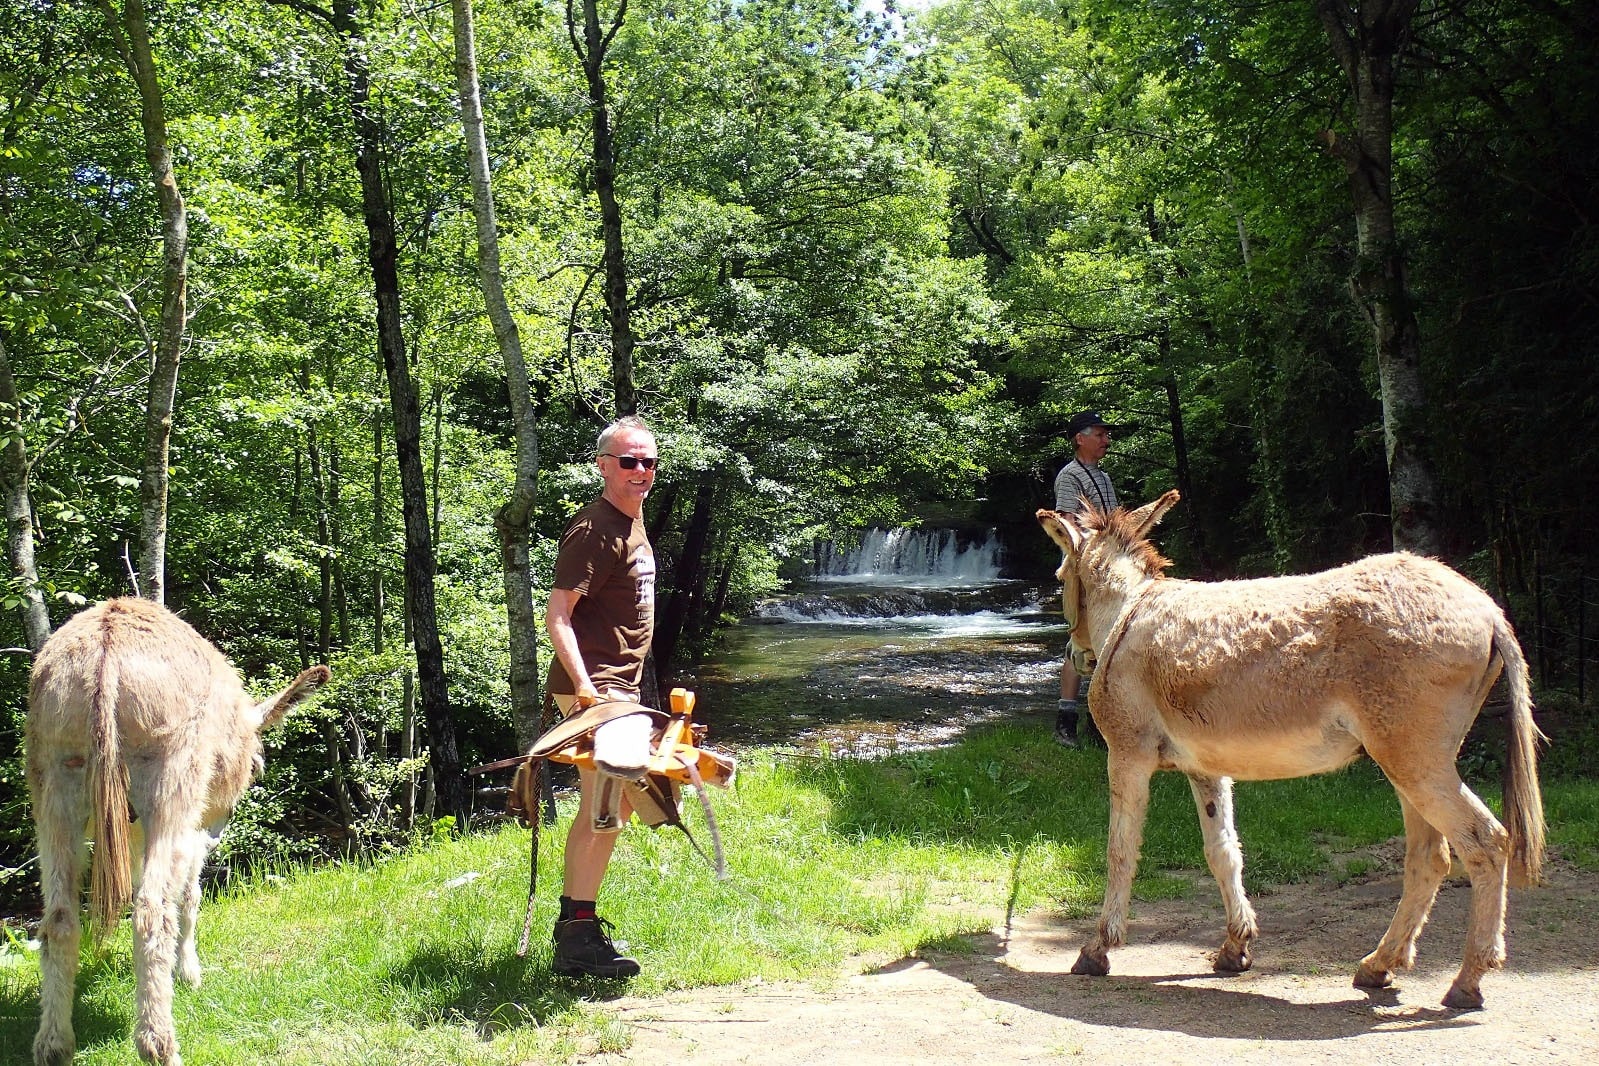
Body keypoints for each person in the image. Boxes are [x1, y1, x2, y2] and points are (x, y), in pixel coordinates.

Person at [544, 414, 660, 978]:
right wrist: (588, 690)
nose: (641, 471)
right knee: (605, 809)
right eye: (628, 461)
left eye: (649, 461)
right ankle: (577, 937)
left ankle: (578, 931)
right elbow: (558, 616)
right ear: (603, 465)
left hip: (622, 688)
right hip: (596, 691)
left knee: (625, 807)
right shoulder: (594, 529)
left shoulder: (631, 520)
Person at [1051, 410, 1121, 747]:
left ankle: (1097, 724)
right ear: (1081, 438)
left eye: (1107, 435)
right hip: (1084, 573)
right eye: (1101, 434)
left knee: (1104, 642)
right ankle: (1066, 723)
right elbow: (1068, 525)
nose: (1107, 441)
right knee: (1080, 641)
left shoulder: (1102, 478)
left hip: (1108, 572)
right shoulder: (1070, 476)